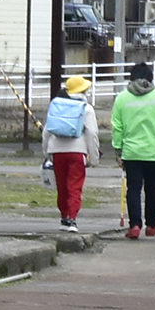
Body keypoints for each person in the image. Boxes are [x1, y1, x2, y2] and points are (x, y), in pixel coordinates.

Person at [110, 61, 155, 239]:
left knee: (134, 189)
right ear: (150, 78)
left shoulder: (122, 98)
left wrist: (118, 150)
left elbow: (117, 127)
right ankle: (152, 224)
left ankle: (135, 225)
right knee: (153, 189)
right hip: (154, 151)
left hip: (131, 152)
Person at [42, 75, 99, 232]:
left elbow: (47, 131)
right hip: (77, 150)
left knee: (62, 186)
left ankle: (64, 217)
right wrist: (94, 158)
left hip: (56, 151)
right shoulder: (86, 109)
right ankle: (72, 219)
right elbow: (92, 134)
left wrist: (46, 152)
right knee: (74, 186)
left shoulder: (56, 105)